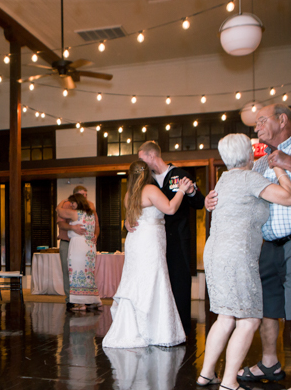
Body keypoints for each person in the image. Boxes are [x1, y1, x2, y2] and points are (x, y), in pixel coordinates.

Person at [205, 104, 291, 390]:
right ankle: (269, 362)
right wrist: (214, 200)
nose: (257, 127)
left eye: (262, 120)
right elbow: (243, 192)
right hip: (268, 245)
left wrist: (289, 163)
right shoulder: (260, 163)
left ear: (282, 120)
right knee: (265, 306)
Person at [196, 134, 291, 390]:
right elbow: (288, 197)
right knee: (250, 318)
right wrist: (280, 167)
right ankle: (229, 383)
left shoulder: (224, 178)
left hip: (215, 252)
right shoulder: (250, 178)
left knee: (226, 315)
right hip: (236, 254)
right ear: (249, 154)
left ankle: (207, 373)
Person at [102, 160, 193, 348]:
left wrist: (126, 224)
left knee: (136, 279)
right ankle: (154, 328)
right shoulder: (150, 190)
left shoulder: (129, 194)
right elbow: (170, 208)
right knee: (154, 278)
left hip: (136, 240)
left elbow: (130, 219)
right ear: (148, 173)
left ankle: (135, 325)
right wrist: (181, 191)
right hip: (150, 239)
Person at [135, 141, 206, 336]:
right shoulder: (145, 181)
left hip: (177, 238)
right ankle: (158, 326)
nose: (140, 163)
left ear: (151, 156)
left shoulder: (179, 175)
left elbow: (200, 203)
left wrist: (190, 191)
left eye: (142, 158)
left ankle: (181, 327)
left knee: (179, 281)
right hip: (154, 240)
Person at [57, 186, 98, 311]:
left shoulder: (89, 207)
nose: (85, 197)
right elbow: (61, 223)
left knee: (81, 273)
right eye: (82, 195)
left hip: (81, 245)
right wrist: (73, 228)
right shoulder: (68, 206)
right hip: (69, 242)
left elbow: (97, 224)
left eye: (86, 194)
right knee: (72, 272)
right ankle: (72, 299)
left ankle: (83, 301)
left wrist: (95, 235)